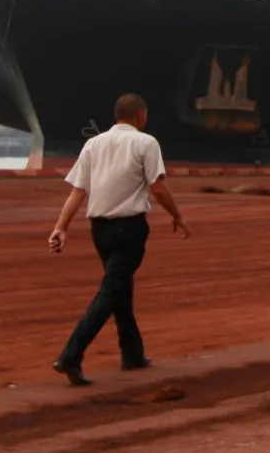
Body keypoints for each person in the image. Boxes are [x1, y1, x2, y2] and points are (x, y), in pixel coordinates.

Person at [47, 93, 190, 385]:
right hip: (130, 228)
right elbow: (159, 188)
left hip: (99, 231)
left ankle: (132, 354)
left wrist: (61, 227)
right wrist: (177, 216)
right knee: (112, 291)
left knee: (120, 287)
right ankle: (71, 355)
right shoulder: (146, 142)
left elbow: (78, 191)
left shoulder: (93, 144)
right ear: (140, 116)